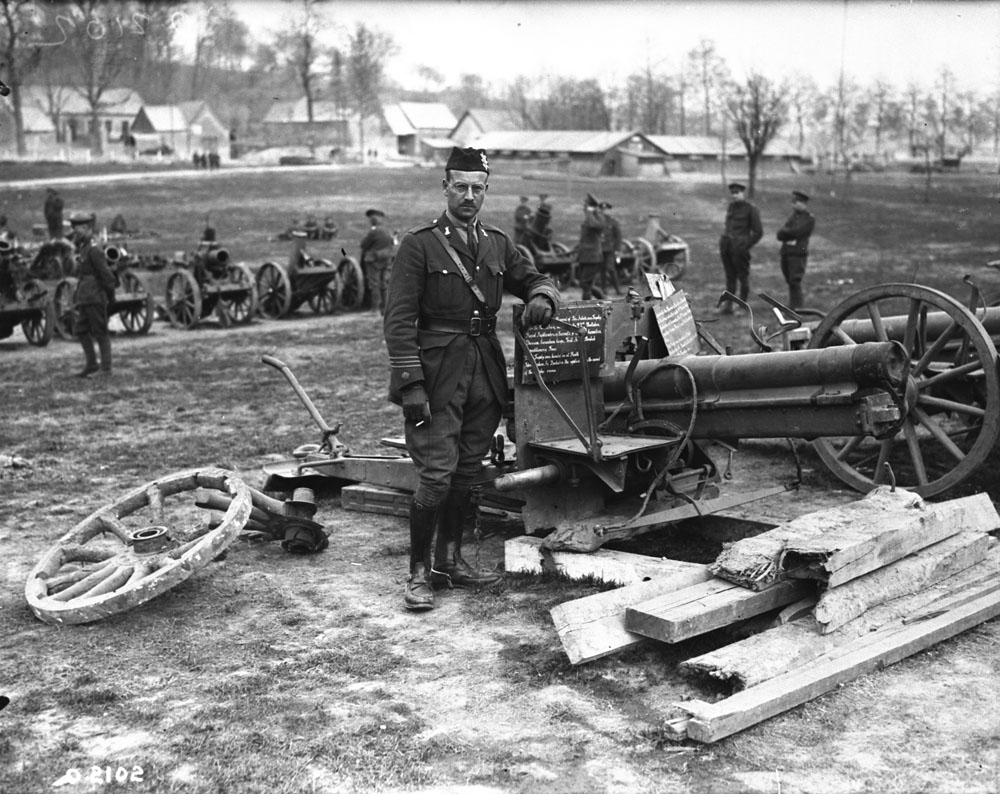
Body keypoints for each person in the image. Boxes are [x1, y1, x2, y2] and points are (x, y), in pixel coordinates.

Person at [383, 146, 560, 612]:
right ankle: (418, 574)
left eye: (477, 188)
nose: (468, 196)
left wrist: (543, 296)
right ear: (445, 187)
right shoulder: (420, 244)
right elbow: (398, 320)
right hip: (437, 375)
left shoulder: (496, 243)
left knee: (466, 471)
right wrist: (410, 384)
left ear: (486, 190)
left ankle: (449, 563)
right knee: (435, 475)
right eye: (459, 187)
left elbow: (535, 278)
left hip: (484, 369)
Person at [69, 212, 116, 377]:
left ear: (86, 227)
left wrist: (111, 297)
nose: (75, 232)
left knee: (100, 332)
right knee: (81, 330)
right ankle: (91, 364)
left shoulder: (94, 249)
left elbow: (106, 275)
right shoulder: (84, 247)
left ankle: (106, 368)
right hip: (85, 296)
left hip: (95, 296)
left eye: (78, 228)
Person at [718, 181, 763, 314]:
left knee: (743, 277)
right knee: (730, 277)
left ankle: (743, 306)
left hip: (740, 249)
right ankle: (728, 306)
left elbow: (758, 232)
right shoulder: (731, 207)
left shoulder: (751, 209)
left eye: (737, 193)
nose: (734, 196)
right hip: (727, 247)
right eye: (732, 193)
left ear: (743, 193)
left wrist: (745, 245)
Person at [776, 189, 815, 309]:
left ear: (803, 203)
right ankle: (793, 305)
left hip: (798, 252)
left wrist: (787, 232)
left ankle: (798, 307)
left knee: (795, 280)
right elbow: (779, 234)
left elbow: (797, 231)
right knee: (789, 280)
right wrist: (788, 232)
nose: (793, 204)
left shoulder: (809, 218)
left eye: (796, 202)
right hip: (787, 252)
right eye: (793, 202)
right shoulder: (793, 217)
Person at [359, 208, 395, 314]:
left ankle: (375, 309)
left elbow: (363, 245)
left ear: (373, 220)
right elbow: (392, 243)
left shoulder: (373, 232)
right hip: (386, 259)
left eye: (371, 219)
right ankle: (385, 308)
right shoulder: (387, 231)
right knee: (384, 284)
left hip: (374, 261)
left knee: (374, 284)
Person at [575, 193, 605, 300]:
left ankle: (588, 305)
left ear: (591, 207)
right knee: (584, 284)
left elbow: (594, 225)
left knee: (585, 284)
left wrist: (590, 213)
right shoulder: (589, 219)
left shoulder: (598, 218)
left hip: (593, 257)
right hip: (585, 256)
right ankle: (602, 299)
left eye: (586, 206)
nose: (584, 208)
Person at [598, 201, 622, 295]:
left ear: (609, 210)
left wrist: (617, 249)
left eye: (606, 209)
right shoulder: (597, 221)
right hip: (600, 249)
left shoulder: (613, 221)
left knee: (611, 268)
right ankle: (603, 289)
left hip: (610, 249)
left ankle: (617, 289)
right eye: (602, 209)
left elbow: (618, 236)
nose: (604, 211)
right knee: (602, 269)